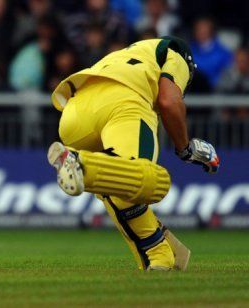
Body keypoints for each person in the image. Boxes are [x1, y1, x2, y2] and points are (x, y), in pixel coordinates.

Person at [47, 36, 220, 271]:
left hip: (73, 117)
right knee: (152, 180)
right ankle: (80, 164)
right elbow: (170, 101)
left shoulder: (129, 54)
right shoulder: (176, 51)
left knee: (118, 185)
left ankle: (159, 254)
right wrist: (185, 148)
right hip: (123, 102)